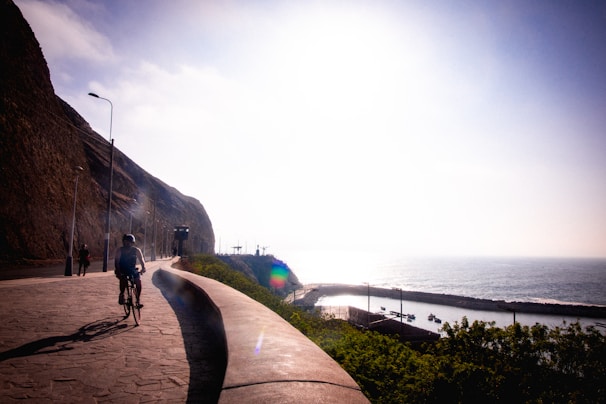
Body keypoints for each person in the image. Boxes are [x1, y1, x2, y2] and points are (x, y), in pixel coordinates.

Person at [114, 234, 146, 307]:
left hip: (132, 269)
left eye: (129, 242)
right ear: (123, 242)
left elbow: (142, 260)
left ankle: (137, 299)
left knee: (138, 281)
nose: (127, 244)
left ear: (132, 243)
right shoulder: (120, 250)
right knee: (123, 280)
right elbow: (116, 262)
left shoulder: (136, 250)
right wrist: (118, 271)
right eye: (126, 242)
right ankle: (122, 294)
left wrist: (143, 267)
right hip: (122, 269)